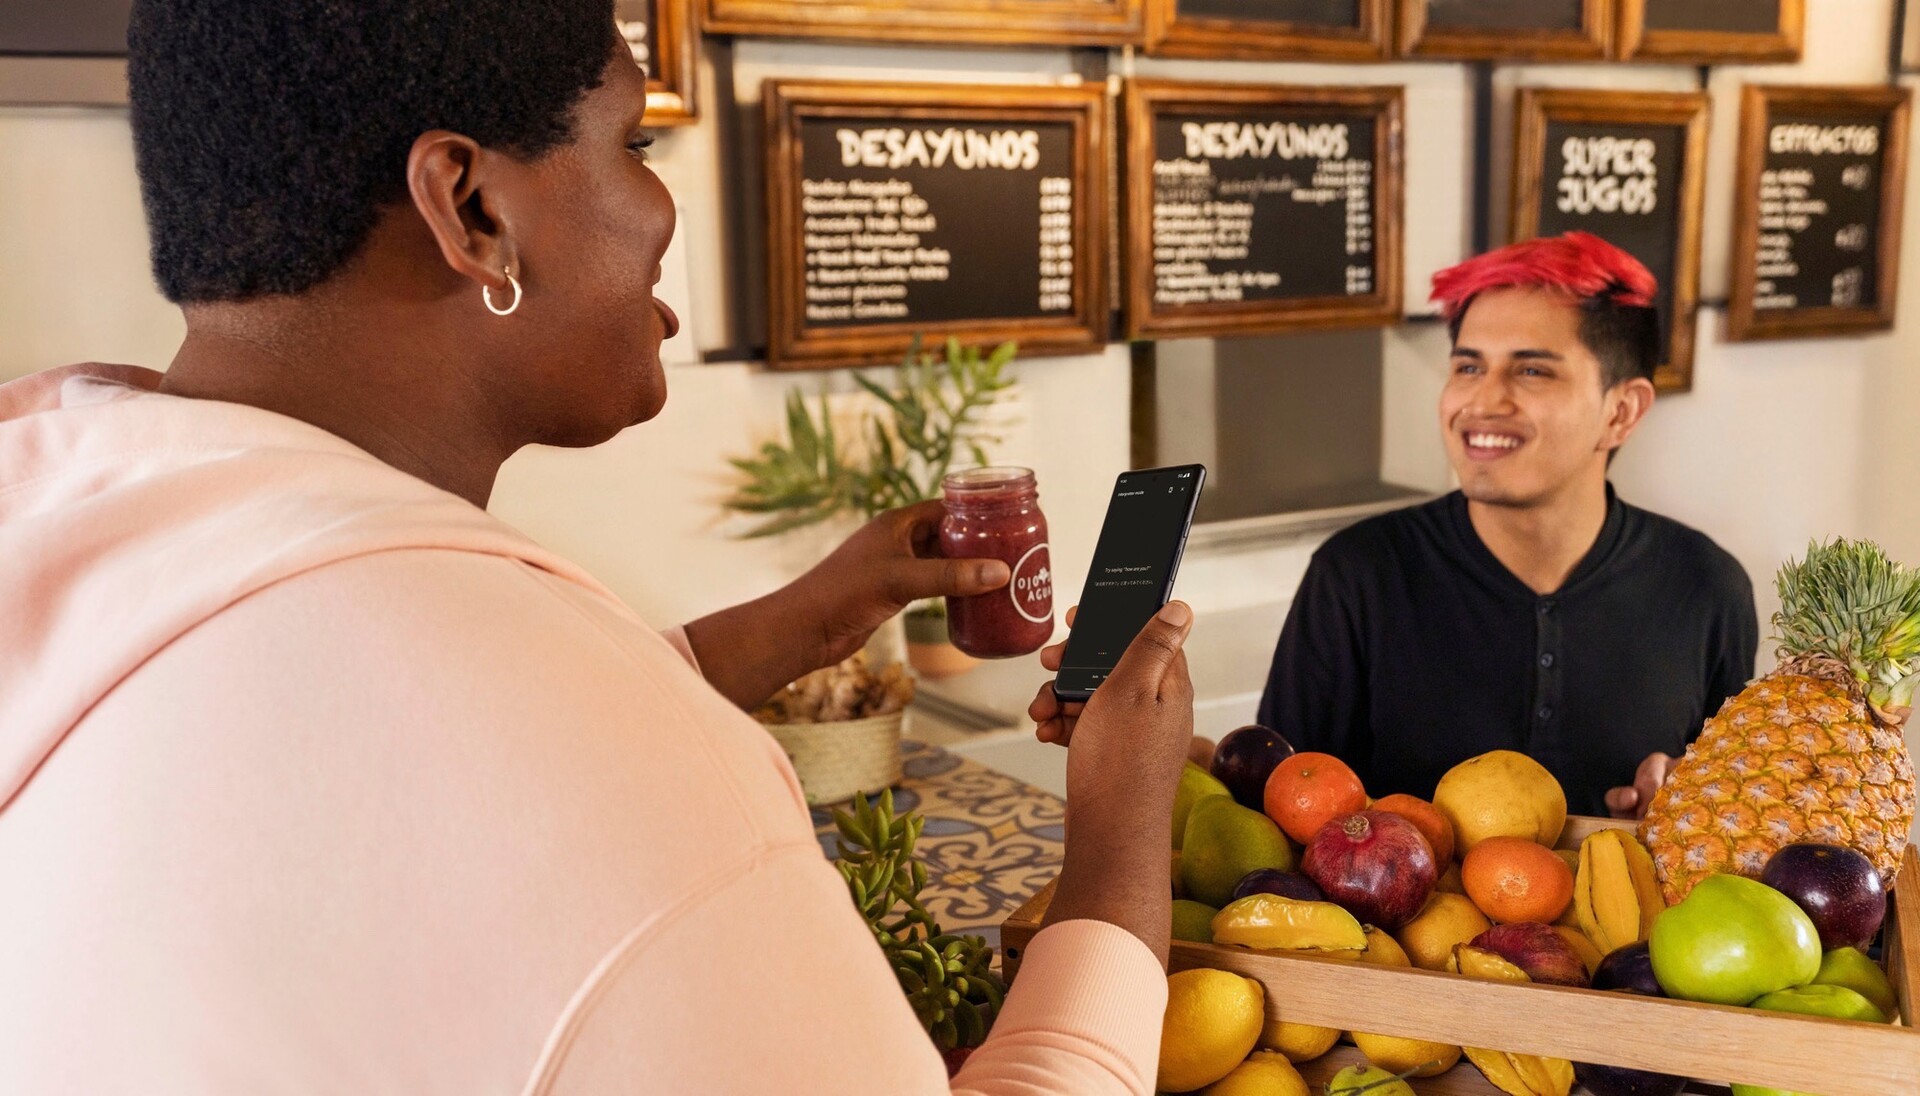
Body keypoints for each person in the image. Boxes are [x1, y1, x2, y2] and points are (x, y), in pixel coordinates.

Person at [0, 3, 1195, 1092]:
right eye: (635, 141)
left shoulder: (81, 518)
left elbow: (396, 772)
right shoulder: (622, 784)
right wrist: (1120, 847)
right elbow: (547, 762)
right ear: (471, 209)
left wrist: (804, 621)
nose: (661, 211)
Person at [1256, 233, 1758, 820]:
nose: (1483, 401)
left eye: (1532, 370)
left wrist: (1684, 801)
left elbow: (1732, 818)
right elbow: (1278, 815)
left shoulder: (1707, 587)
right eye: (1468, 366)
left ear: (1621, 412)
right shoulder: (1356, 575)